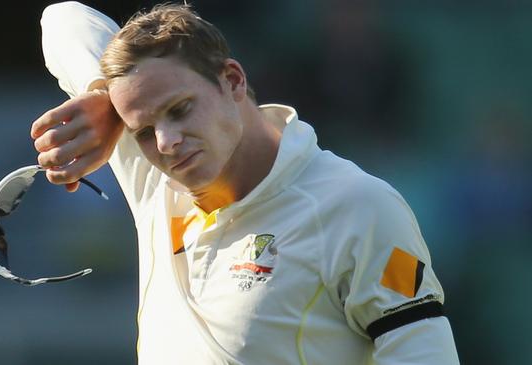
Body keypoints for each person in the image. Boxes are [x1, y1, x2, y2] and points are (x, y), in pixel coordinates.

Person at [32, 2, 460, 363]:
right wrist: (101, 97)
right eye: (142, 131)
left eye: (180, 109)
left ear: (232, 80)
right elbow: (63, 19)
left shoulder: (358, 205)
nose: (166, 141)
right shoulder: (156, 182)